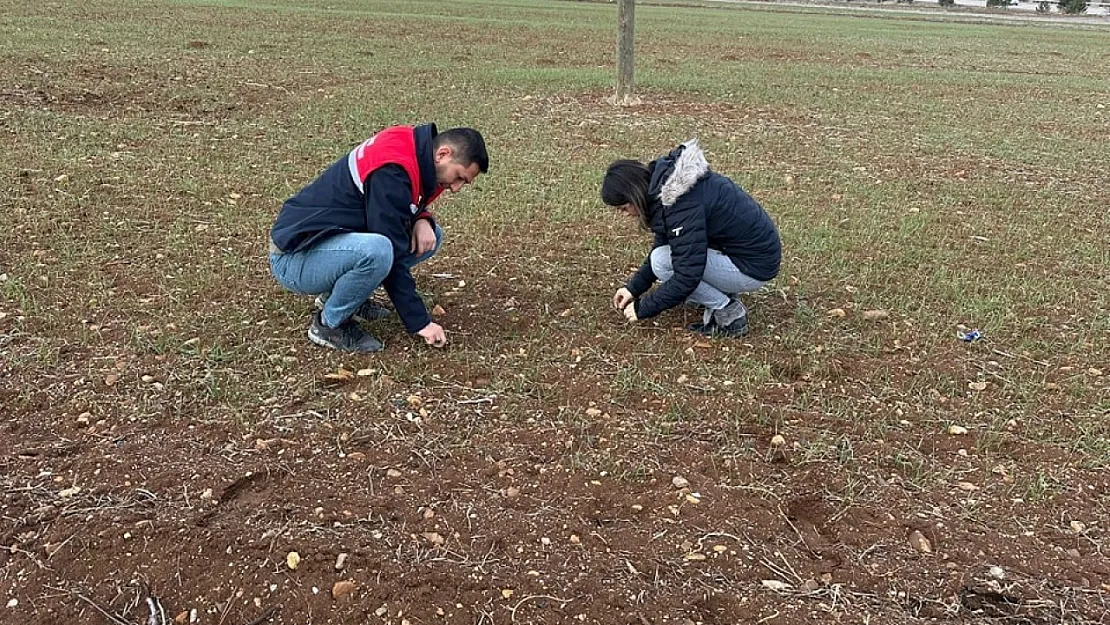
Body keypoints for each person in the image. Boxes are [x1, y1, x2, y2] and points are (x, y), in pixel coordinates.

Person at [269, 124, 488, 352]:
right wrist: (420, 322)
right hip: (294, 258)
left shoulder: (415, 149)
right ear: (443, 154)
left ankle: (347, 298)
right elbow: (391, 247)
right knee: (380, 250)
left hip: (325, 243)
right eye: (459, 177)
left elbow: (399, 203)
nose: (456, 188)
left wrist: (422, 218)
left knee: (431, 236)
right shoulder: (392, 169)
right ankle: (329, 325)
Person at [601, 139, 780, 337]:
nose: (624, 214)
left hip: (753, 268)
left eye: (624, 208)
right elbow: (667, 243)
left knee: (662, 262)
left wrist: (643, 308)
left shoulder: (681, 203)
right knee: (663, 257)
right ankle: (721, 291)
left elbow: (687, 275)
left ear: (635, 195)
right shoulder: (665, 189)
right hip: (744, 255)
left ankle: (729, 312)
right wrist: (633, 288)